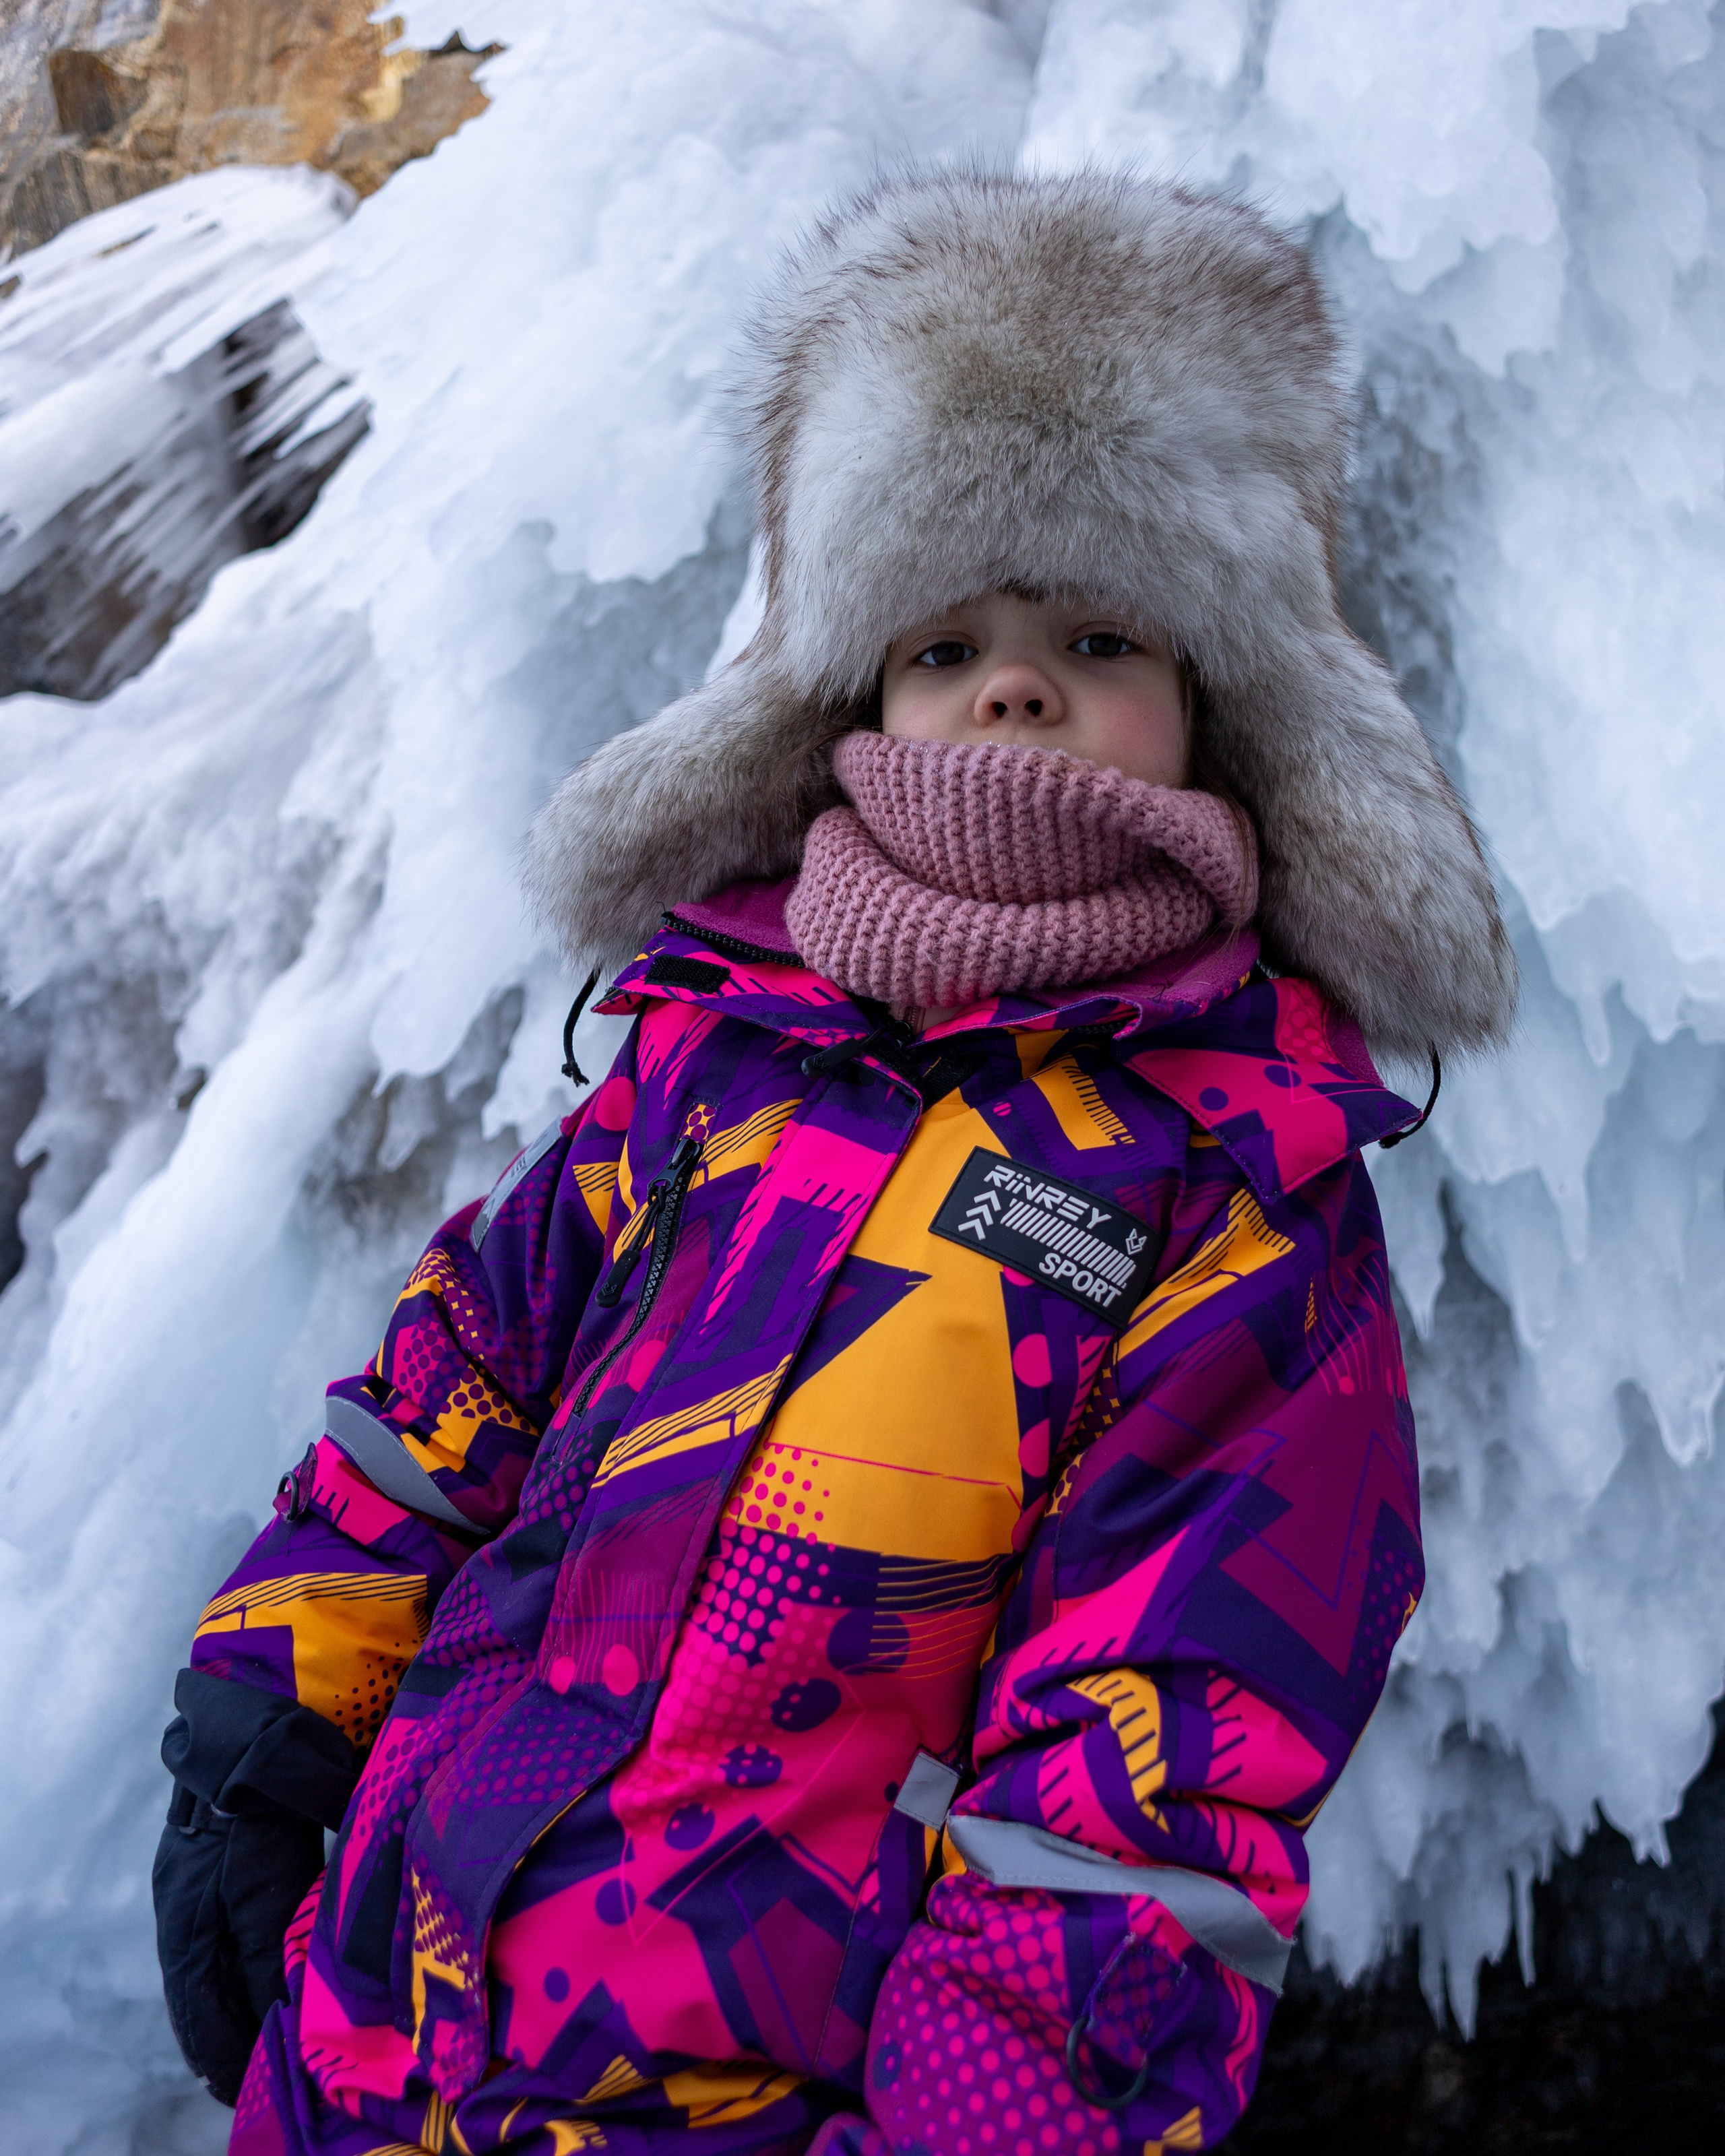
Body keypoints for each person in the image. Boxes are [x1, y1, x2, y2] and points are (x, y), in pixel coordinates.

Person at [152, 169, 1516, 2156]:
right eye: (943, 635)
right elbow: (447, 1398)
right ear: (852, 697)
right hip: (382, 2025)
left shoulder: (1237, 1202)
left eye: (1099, 630)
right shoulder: (719, 1050)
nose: (1012, 683)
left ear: (1226, 713)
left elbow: (1149, 1788)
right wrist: (268, 1723)